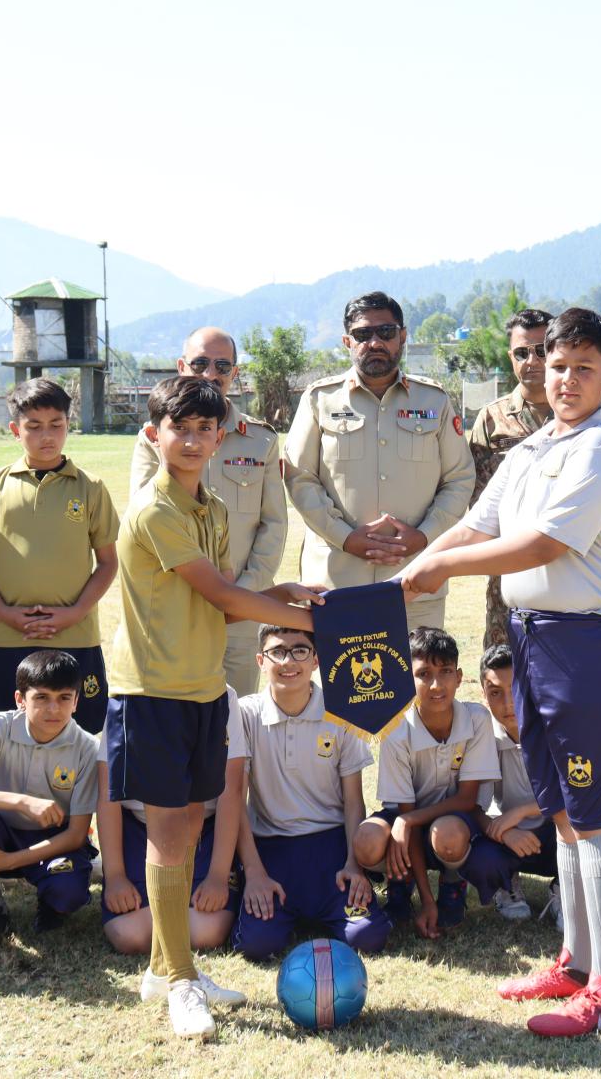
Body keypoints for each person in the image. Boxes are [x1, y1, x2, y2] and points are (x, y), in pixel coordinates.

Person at [401, 307, 601, 1036]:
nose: (564, 379)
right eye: (556, 364)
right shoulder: (533, 447)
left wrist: (442, 568)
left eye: (582, 368)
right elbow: (475, 526)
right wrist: (408, 574)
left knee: (599, 818)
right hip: (534, 639)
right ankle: (577, 964)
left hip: (595, 646)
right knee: (567, 816)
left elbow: (542, 545)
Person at [106, 376, 322, 1040]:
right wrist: (315, 624)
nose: (195, 440)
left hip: (203, 688)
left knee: (185, 830)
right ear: (154, 434)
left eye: (207, 429)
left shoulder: (216, 509)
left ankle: (165, 969)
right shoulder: (154, 510)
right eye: (182, 428)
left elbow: (223, 599)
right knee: (170, 836)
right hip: (153, 693)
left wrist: (284, 592)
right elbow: (226, 598)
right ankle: (179, 981)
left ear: (221, 436)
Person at [283, 291, 475, 630]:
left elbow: (459, 478)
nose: (374, 343)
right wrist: (345, 537)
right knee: (338, 667)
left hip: (416, 581)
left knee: (417, 665)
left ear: (403, 336)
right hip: (335, 584)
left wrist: (424, 536)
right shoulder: (319, 400)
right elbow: (300, 478)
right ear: (347, 341)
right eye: (362, 334)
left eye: (385, 332)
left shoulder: (434, 400)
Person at [130, 327, 287, 696]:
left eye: (222, 366)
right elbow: (145, 518)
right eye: (200, 363)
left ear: (235, 373)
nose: (210, 374)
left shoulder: (261, 439)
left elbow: (274, 525)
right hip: (174, 608)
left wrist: (244, 594)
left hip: (241, 610)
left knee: (237, 716)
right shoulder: (154, 437)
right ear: (181, 366)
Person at [0, 378, 118, 733]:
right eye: (33, 426)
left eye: (56, 425)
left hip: (75, 635)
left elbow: (108, 562)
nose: (46, 436)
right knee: (8, 734)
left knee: (84, 734)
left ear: (69, 425)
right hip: (9, 637)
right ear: (15, 430)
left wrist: (75, 613)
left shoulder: (91, 487)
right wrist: (3, 612)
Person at [229, 625, 390, 960]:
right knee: (257, 944)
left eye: (300, 650)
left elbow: (353, 802)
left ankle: (325, 907)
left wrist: (354, 864)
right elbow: (235, 803)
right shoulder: (245, 714)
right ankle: (279, 912)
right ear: (260, 661)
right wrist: (254, 873)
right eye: (277, 652)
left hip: (329, 848)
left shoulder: (341, 712)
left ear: (316, 660)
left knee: (367, 936)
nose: (289, 661)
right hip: (271, 849)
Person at [0, 649, 101, 949]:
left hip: (54, 841)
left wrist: (11, 861)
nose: (53, 708)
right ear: (20, 699)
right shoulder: (1, 726)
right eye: (41, 697)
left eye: (64, 698)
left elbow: (77, 834)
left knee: (68, 893)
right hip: (2, 831)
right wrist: (20, 802)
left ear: (76, 702)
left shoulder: (88, 748)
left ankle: (51, 903)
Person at [354, 627, 500, 938]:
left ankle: (452, 882)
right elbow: (406, 813)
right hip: (407, 818)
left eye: (445, 671)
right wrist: (426, 899)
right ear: (407, 680)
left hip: (453, 820)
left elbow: (466, 800)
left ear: (459, 677)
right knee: (366, 841)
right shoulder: (395, 729)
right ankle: (401, 883)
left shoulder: (477, 719)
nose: (436, 684)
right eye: (423, 674)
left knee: (447, 833)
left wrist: (407, 821)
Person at [96, 714, 237, 969]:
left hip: (203, 830)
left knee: (207, 932)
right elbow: (108, 791)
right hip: (139, 827)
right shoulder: (130, 696)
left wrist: (218, 876)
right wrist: (115, 875)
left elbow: (232, 790)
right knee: (130, 935)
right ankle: (164, 962)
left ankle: (176, 959)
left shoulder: (222, 696)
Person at [468, 309, 555, 649]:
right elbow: (477, 498)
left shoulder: (582, 413)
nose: (532, 361)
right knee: (503, 660)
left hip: (569, 563)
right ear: (510, 357)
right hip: (508, 566)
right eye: (521, 353)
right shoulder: (492, 419)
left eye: (541, 350)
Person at [462, 643, 556, 921]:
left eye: (515, 688)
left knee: (585, 828)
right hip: (507, 833)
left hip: (554, 830)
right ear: (483, 694)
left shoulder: (554, 728)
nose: (508, 703)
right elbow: (472, 806)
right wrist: (504, 832)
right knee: (479, 858)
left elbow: (576, 792)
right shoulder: (482, 737)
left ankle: (565, 886)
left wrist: (523, 811)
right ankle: (506, 884)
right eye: (495, 693)